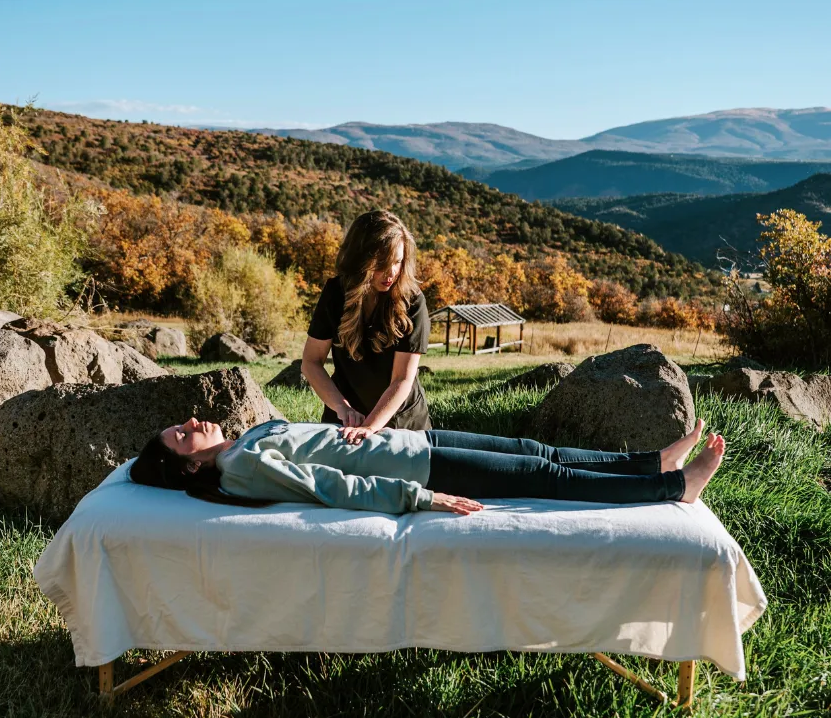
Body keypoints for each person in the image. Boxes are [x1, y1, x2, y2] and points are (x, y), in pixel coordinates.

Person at [129, 416, 725, 516]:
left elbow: (323, 445)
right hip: (424, 470)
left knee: (538, 452)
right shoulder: (240, 470)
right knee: (549, 478)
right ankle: (673, 489)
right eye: (182, 437)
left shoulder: (241, 443)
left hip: (415, 440)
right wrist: (425, 499)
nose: (191, 423)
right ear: (187, 468)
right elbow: (333, 486)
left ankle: (650, 462)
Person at [302, 209, 431, 445]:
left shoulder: (413, 301)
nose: (392, 272)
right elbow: (311, 362)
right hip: (345, 419)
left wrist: (371, 426)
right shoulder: (335, 294)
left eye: (398, 261)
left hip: (402, 423)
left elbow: (403, 379)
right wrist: (342, 408)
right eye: (382, 263)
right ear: (361, 259)